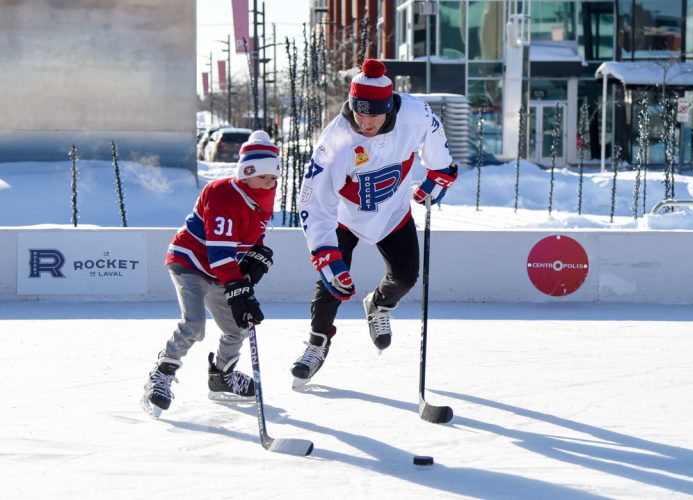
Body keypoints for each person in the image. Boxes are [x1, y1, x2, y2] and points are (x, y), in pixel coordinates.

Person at [290, 58, 458, 386]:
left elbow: (435, 142)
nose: (365, 123)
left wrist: (439, 173)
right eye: (359, 113)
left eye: (374, 115)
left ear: (389, 108)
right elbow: (313, 198)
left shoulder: (415, 114)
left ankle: (378, 304)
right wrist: (324, 252)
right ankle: (316, 344)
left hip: (393, 211)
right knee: (332, 284)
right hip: (344, 218)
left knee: (407, 277)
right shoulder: (335, 142)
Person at [142, 130, 280, 417]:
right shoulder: (223, 194)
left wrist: (257, 253)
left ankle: (221, 376)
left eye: (273, 178)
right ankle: (162, 373)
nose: (269, 183)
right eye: (262, 176)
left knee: (238, 327)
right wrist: (238, 287)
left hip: (221, 269)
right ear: (245, 173)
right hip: (190, 261)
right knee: (194, 325)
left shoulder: (263, 193)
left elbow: (253, 232)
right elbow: (219, 252)